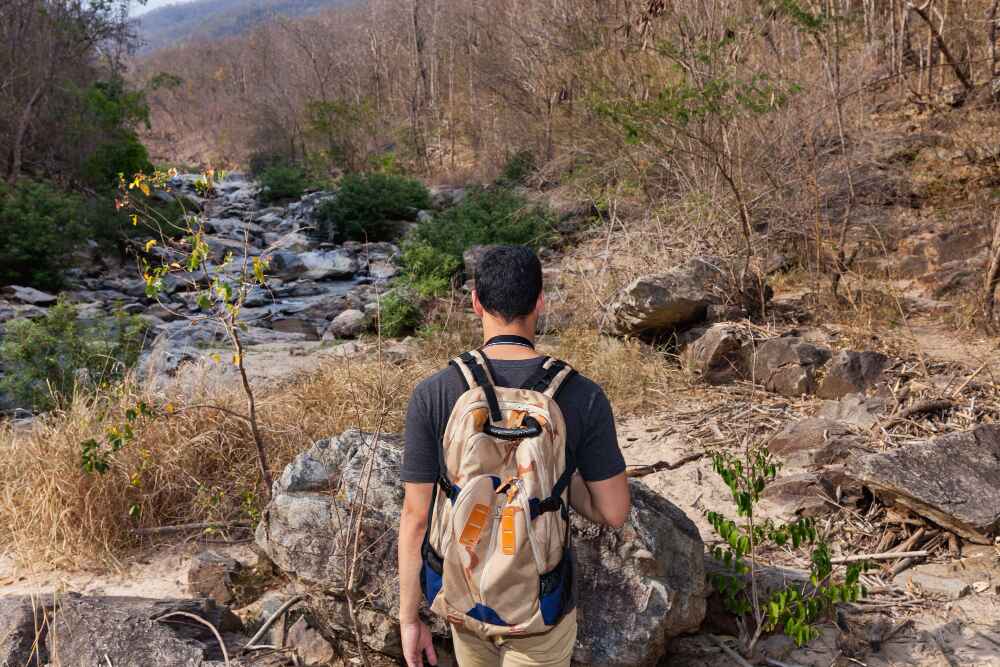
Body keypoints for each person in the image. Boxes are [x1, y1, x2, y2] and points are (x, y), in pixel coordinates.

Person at [397, 245, 630, 667]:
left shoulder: (435, 393)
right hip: (541, 607)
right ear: (540, 301)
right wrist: (558, 472)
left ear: (475, 303)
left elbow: (415, 518)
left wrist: (409, 617)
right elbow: (613, 511)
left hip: (465, 602)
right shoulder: (582, 395)